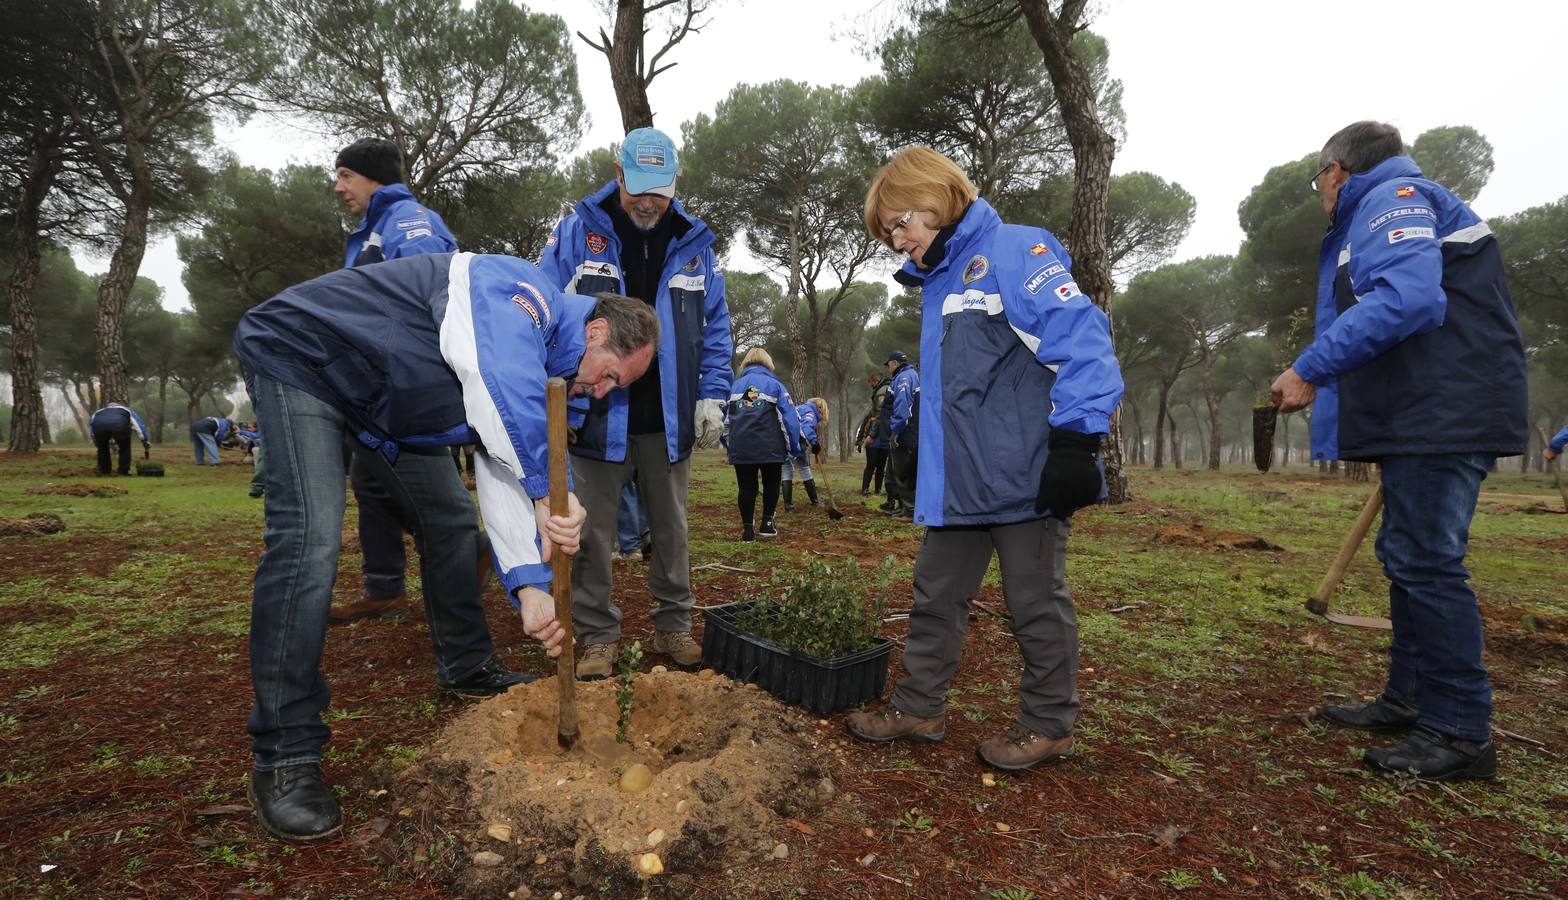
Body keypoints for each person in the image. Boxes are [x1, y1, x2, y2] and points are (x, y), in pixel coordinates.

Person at [233, 250, 657, 844]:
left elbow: (499, 461)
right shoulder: (518, 291)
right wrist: (546, 489)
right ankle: (284, 757)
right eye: (611, 374)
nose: (606, 392)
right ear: (595, 330)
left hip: (387, 411)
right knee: (309, 546)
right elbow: (495, 384)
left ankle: (463, 665)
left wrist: (531, 589)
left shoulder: (556, 379)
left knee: (453, 524)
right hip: (305, 356)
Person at [845, 147, 1123, 771]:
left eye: (898, 224)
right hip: (959, 487)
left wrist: (1078, 440)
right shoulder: (942, 278)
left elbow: (1082, 339)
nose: (894, 241)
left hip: (1024, 479)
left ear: (933, 198)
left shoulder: (1012, 251)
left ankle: (1049, 723)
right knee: (935, 594)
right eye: (888, 230)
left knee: (1034, 602)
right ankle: (920, 706)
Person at [1271, 122, 1528, 781]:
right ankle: (1410, 699)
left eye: (1317, 182)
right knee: (1406, 557)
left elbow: (1409, 299)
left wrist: (1310, 368)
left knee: (1428, 562)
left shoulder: (1396, 197)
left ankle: (1461, 732)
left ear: (1336, 172)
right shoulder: (1395, 204)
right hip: (1422, 411)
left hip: (1442, 413)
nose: (1320, 196)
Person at [538, 126, 733, 678]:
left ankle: (674, 626)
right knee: (592, 529)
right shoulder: (578, 233)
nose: (648, 202)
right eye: (638, 187)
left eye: (660, 190)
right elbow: (545, 307)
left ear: (675, 182)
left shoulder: (696, 247)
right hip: (595, 409)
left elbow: (716, 329)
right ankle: (598, 634)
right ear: (618, 173)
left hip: (665, 418)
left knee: (670, 528)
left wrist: (713, 394)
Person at [330, 137, 461, 625]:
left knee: (419, 491)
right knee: (368, 480)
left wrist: (410, 373)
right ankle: (384, 587)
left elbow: (429, 292)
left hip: (402, 386)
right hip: (374, 383)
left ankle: (471, 552)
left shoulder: (408, 222)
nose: (338, 186)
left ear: (373, 179)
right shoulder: (376, 229)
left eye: (346, 175)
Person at [724, 348, 800, 541]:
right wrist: (793, 446)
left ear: (746, 363)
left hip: (741, 446)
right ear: (768, 363)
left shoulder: (734, 387)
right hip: (770, 446)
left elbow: (724, 421)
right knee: (772, 482)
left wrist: (729, 445)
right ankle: (767, 524)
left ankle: (747, 531)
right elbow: (789, 419)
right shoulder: (775, 385)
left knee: (746, 487)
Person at [883, 350, 920, 519]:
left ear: (895, 363)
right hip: (911, 432)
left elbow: (902, 405)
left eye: (888, 365)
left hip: (906, 432)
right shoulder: (910, 375)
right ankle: (904, 506)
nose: (887, 369)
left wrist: (896, 431)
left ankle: (910, 509)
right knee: (900, 471)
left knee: (904, 471)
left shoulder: (903, 378)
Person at [783, 397, 827, 511]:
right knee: (804, 469)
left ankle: (788, 505)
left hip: (785, 440)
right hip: (797, 442)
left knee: (788, 470)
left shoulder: (799, 408)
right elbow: (806, 427)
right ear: (820, 408)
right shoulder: (810, 411)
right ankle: (815, 501)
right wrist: (814, 442)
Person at [89, 402, 149, 476]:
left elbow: (92, 429)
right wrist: (145, 441)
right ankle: (123, 472)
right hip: (120, 427)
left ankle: (105, 472)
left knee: (103, 449)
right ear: (119, 406)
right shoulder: (127, 410)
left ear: (107, 407)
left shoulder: (97, 412)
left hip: (100, 428)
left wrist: (97, 444)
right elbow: (138, 426)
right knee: (125, 448)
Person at [857, 372, 891, 497]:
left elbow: (880, 415)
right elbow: (865, 421)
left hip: (878, 436)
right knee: (875, 465)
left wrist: (870, 435)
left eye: (871, 383)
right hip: (882, 436)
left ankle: (875, 490)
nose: (870, 386)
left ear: (875, 381)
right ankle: (866, 489)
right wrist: (860, 440)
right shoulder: (882, 392)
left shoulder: (881, 393)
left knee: (876, 465)